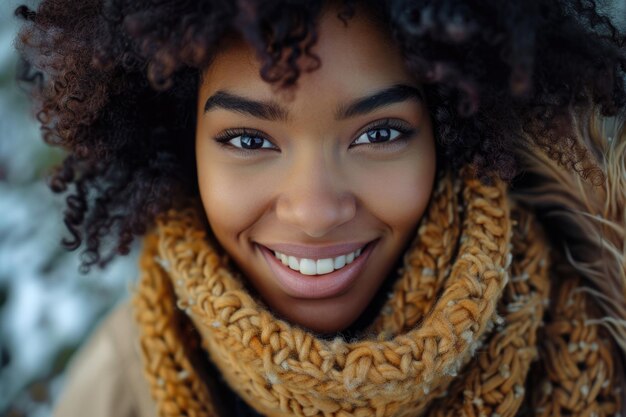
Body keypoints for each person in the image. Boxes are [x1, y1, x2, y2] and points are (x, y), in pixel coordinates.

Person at [14, 0, 626, 416]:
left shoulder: (605, 323)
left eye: (380, 134)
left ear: (454, 130)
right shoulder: (122, 384)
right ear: (180, 147)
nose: (314, 211)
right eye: (250, 141)